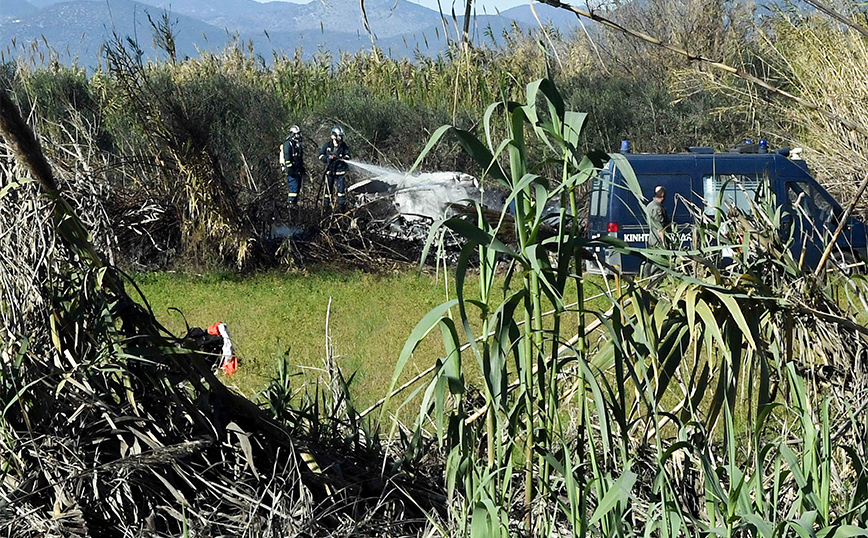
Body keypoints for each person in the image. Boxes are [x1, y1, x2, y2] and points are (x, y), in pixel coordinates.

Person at [641, 185, 671, 280]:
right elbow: (660, 228)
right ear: (662, 196)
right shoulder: (657, 208)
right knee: (659, 261)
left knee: (651, 259)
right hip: (657, 239)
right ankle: (655, 280)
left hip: (651, 237)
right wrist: (663, 242)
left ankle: (646, 277)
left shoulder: (649, 205)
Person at [318, 125, 351, 210]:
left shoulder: (344, 146)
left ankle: (341, 207)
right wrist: (327, 159)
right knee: (328, 191)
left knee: (341, 191)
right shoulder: (327, 146)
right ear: (334, 136)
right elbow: (320, 156)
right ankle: (326, 207)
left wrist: (344, 158)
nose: (340, 138)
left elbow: (348, 155)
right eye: (339, 136)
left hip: (340, 172)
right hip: (330, 172)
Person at [280, 125, 305, 207]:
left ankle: (294, 203)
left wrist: (301, 168)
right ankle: (291, 204)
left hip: (297, 169)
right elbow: (287, 157)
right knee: (293, 187)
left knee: (297, 187)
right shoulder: (288, 144)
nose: (299, 136)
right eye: (297, 134)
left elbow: (299, 157)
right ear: (293, 134)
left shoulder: (297, 144)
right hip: (291, 170)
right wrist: (290, 168)